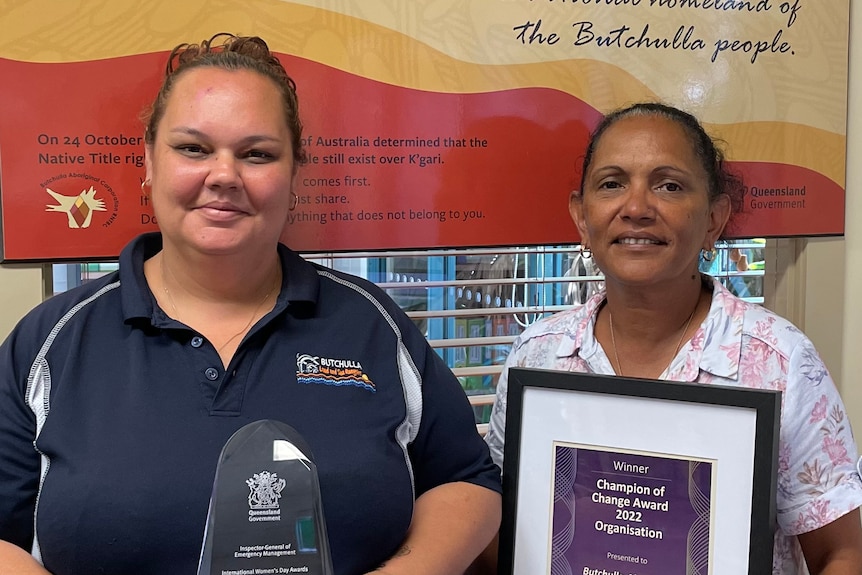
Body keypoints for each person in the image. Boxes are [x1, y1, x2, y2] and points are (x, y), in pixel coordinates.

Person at [0, 34, 501, 575]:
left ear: (294, 175)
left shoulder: (371, 324)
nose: (223, 176)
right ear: (148, 162)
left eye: (257, 154)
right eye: (193, 148)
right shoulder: (49, 342)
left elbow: (466, 481)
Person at [483, 102, 862, 574]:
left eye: (669, 186)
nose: (637, 208)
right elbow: (507, 531)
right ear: (582, 218)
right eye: (612, 183)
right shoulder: (536, 354)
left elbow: (841, 554)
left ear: (714, 220)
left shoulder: (780, 361)